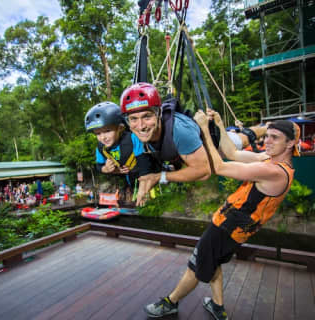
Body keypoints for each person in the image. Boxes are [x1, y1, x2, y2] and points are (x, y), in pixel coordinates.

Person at [144, 110, 299, 320]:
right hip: (232, 225)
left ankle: (170, 303)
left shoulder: (275, 172)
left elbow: (219, 166)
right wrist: (218, 123)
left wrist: (204, 130)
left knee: (196, 265)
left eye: (275, 137)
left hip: (229, 229)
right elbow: (232, 154)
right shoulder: (268, 160)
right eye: (267, 135)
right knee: (213, 261)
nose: (267, 140)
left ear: (290, 144)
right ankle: (218, 307)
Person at [119, 82, 211, 198]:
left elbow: (204, 172)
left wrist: (160, 177)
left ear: (159, 113)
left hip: (219, 146)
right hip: (181, 155)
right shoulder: (136, 134)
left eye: (147, 116)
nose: (141, 126)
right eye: (133, 119)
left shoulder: (179, 130)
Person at [84, 101, 154, 206]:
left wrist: (143, 189)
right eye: (98, 133)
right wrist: (107, 169)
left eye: (107, 131)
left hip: (146, 177)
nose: (103, 137)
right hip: (128, 181)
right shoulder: (101, 148)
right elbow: (99, 166)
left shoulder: (132, 138)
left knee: (150, 202)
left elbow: (145, 163)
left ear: (120, 128)